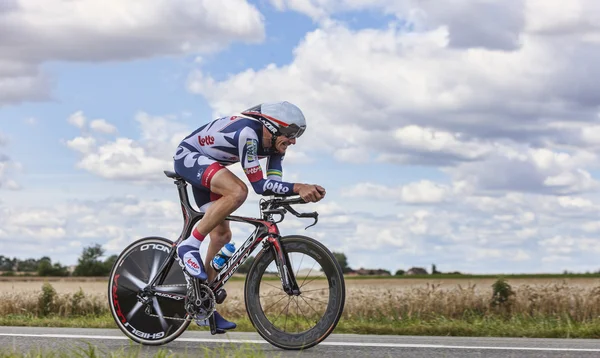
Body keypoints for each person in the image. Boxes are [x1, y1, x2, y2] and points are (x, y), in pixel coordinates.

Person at [172, 101, 326, 331]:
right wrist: (299, 187)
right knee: (238, 191)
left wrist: (301, 194)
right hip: (190, 156)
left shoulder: (276, 147)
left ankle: (202, 305)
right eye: (291, 134)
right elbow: (259, 186)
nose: (293, 141)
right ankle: (189, 246)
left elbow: (273, 184)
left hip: (209, 164)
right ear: (272, 127)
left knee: (222, 235)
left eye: (297, 135)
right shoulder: (248, 133)